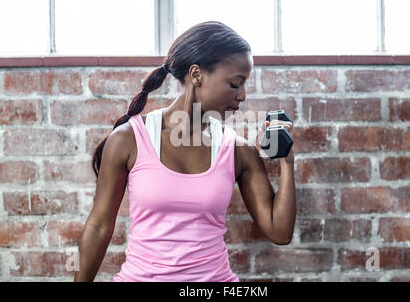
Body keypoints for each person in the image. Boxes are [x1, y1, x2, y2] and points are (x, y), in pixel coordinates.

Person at [74, 21, 296, 282]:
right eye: (235, 84)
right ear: (197, 74)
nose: (242, 96)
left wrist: (287, 164)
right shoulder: (129, 139)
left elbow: (279, 232)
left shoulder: (237, 150)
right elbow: (99, 226)